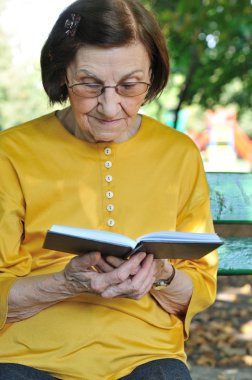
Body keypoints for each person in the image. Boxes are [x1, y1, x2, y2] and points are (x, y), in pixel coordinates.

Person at [0, 0, 218, 379]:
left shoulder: (179, 154)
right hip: (28, 355)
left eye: (130, 85)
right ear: (62, 73)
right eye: (89, 84)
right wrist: (66, 282)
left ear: (153, 75)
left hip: (146, 355)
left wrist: (161, 274)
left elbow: (196, 290)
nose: (110, 105)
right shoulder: (11, 153)